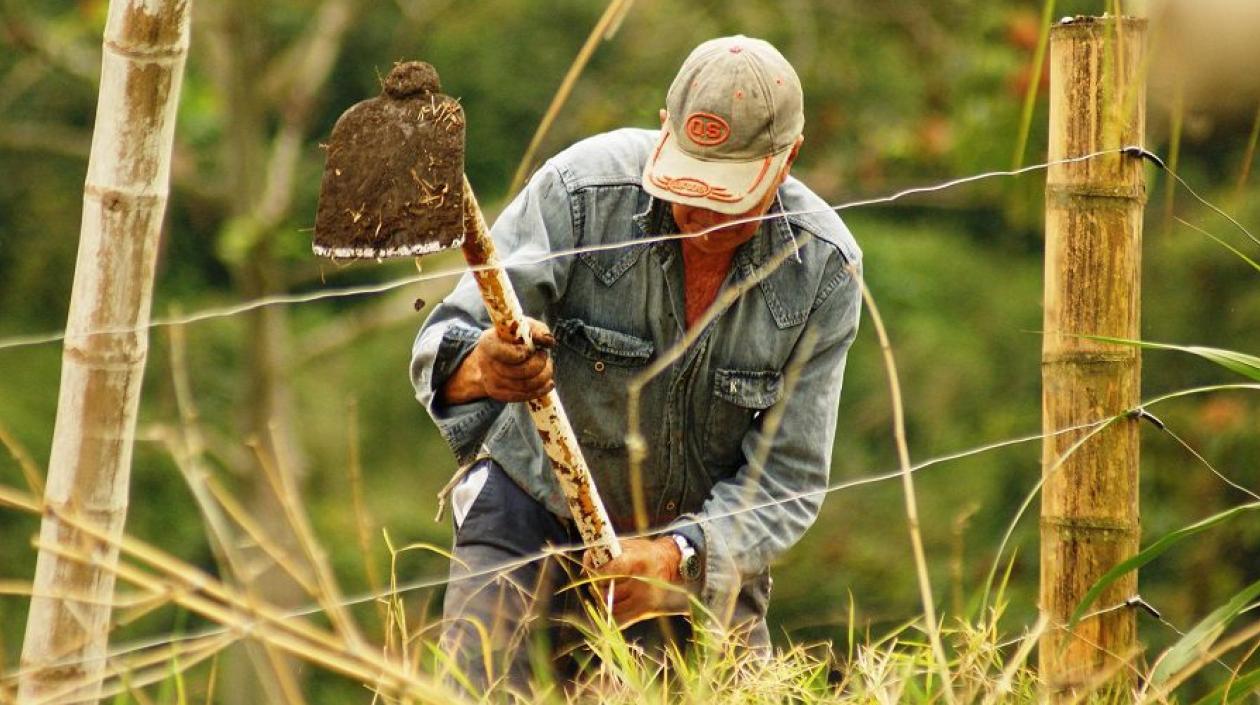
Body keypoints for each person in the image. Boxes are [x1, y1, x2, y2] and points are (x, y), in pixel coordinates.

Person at [410, 34, 862, 690]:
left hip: (698, 553)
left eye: (728, 197)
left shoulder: (823, 269)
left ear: (787, 160)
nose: (702, 214)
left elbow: (787, 477)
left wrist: (677, 559)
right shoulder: (581, 192)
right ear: (665, 131)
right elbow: (446, 344)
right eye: (689, 188)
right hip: (530, 513)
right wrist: (485, 367)